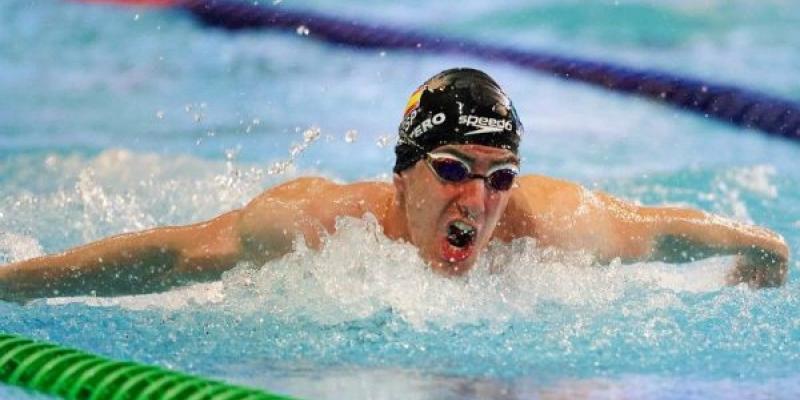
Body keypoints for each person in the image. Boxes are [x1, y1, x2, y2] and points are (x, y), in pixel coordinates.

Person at [0, 68, 789, 303]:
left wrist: (764, 252)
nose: (476, 204)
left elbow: (662, 226)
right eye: (452, 171)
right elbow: (176, 255)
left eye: (498, 179)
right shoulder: (324, 227)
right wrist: (14, 288)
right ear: (403, 172)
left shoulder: (549, 225)